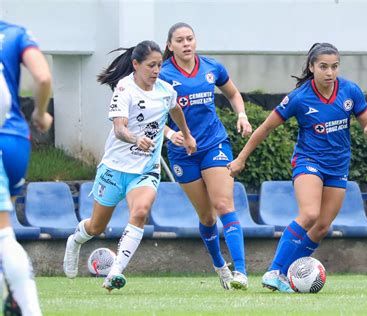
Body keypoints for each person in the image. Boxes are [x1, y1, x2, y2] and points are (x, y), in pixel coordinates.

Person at [228, 43, 367, 292]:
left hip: (338, 165)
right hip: (308, 162)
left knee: (321, 227)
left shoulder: (350, 91)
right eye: (323, 67)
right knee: (309, 214)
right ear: (311, 67)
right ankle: (274, 271)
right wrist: (241, 159)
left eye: (334, 67)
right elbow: (265, 128)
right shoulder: (299, 97)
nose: (329, 72)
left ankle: (288, 273)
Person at [62, 40, 196, 292]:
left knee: (141, 210)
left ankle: (114, 273)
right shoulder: (124, 89)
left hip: (145, 169)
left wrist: (186, 135)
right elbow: (119, 128)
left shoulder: (165, 90)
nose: (156, 70)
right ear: (135, 64)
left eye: (159, 65)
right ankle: (75, 240)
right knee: (96, 226)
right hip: (115, 169)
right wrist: (137, 138)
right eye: (151, 65)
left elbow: (175, 109)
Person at [159, 22, 252, 290]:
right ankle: (219, 265)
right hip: (183, 153)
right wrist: (169, 134)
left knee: (224, 205)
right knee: (207, 217)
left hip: (214, 144)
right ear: (170, 46)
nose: (186, 44)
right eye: (180, 40)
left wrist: (242, 115)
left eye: (190, 38)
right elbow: (151, 117)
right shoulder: (163, 75)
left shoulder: (212, 67)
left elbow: (233, 94)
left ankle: (242, 273)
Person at [0, 20, 53, 315]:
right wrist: (41, 113)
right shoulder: (15, 33)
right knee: (4, 234)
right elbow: (43, 78)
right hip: (13, 140)